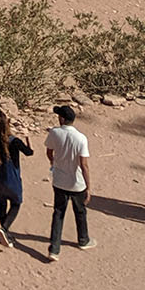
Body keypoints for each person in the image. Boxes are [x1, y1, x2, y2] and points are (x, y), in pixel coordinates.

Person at [44, 103, 94, 259]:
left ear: (62, 118)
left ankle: (54, 249)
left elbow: (49, 151)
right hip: (77, 182)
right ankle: (83, 240)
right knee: (80, 211)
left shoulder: (55, 133)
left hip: (59, 180)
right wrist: (88, 187)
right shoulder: (81, 138)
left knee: (58, 213)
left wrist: (54, 162)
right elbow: (84, 165)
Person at [0, 107, 32, 247]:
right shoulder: (14, 141)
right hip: (11, 177)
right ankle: (4, 229)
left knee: (2, 203)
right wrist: (27, 137)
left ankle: (5, 234)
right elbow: (29, 153)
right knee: (16, 203)